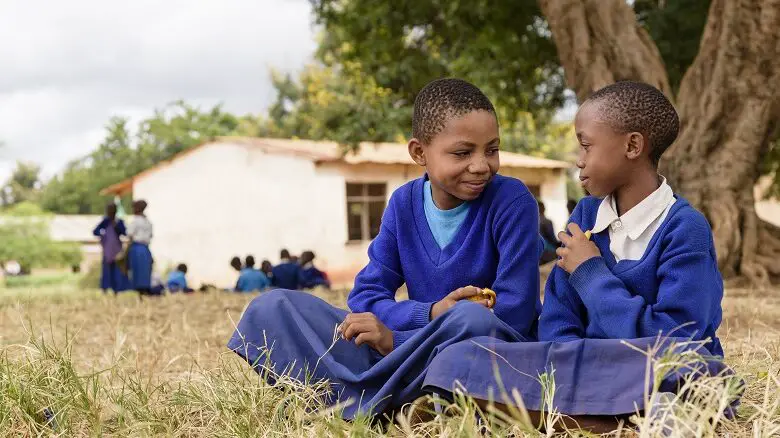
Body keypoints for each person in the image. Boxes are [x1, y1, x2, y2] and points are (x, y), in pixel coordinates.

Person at [422, 81, 732, 432]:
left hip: (654, 364)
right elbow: (558, 319)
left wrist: (591, 272)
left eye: (586, 146)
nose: (579, 160)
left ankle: (596, 413)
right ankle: (611, 415)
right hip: (583, 369)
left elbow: (680, 340)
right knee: (458, 359)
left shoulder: (685, 229)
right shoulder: (585, 216)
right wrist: (569, 367)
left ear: (632, 145)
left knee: (692, 371)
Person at [228, 78, 541, 419]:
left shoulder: (511, 200)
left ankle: (377, 401)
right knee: (273, 307)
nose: (482, 165)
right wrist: (430, 314)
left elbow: (515, 315)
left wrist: (397, 340)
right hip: (405, 355)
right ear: (419, 152)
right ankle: (399, 401)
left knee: (471, 317)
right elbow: (366, 297)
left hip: (478, 354)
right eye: (463, 152)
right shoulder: (402, 203)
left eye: (491, 150)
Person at [93, 203, 130, 294]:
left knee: (117, 270)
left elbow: (125, 233)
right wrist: (103, 235)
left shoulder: (119, 222)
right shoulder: (105, 221)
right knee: (106, 271)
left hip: (117, 249)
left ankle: (116, 290)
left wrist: (117, 227)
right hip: (108, 250)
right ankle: (105, 289)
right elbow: (95, 231)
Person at [127, 200, 154, 295]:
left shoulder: (135, 221)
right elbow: (151, 235)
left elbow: (129, 235)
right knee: (145, 271)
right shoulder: (148, 222)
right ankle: (144, 291)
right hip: (145, 249)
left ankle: (139, 291)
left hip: (136, 248)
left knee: (137, 271)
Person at [537, 200, 559, 265]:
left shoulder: (532, 222)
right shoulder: (547, 221)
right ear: (544, 208)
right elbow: (552, 238)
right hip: (549, 250)